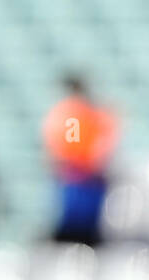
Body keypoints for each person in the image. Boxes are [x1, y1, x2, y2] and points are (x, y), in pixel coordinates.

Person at [41, 75, 118, 246]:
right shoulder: (74, 113)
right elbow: (72, 146)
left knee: (83, 224)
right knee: (75, 224)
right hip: (78, 175)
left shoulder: (78, 113)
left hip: (83, 176)